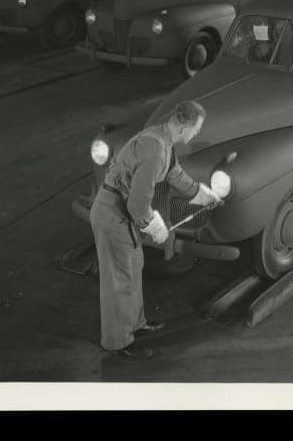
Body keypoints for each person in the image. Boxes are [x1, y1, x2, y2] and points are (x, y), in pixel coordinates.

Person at [90, 100, 221, 360]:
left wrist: (202, 195)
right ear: (184, 128)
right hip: (112, 214)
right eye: (196, 129)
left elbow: (176, 175)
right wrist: (155, 227)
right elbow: (138, 204)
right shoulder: (154, 150)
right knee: (120, 280)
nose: (197, 134)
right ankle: (117, 342)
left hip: (122, 214)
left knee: (133, 268)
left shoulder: (163, 140)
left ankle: (135, 324)